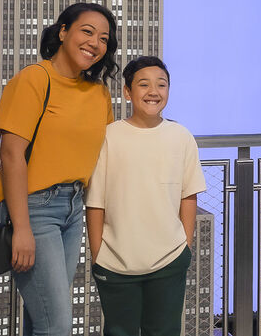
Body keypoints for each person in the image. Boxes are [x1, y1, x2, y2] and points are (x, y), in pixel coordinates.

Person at [0, 3, 118, 336]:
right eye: (87, 31)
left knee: (43, 319)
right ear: (63, 32)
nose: (95, 43)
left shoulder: (99, 93)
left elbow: (107, 155)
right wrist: (21, 227)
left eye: (104, 39)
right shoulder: (35, 79)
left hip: (74, 208)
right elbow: (11, 155)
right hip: (33, 207)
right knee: (57, 325)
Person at [86, 56, 206, 336]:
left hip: (169, 260)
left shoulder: (181, 136)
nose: (154, 91)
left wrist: (184, 248)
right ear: (128, 92)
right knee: (118, 332)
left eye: (161, 85)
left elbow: (188, 197)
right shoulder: (108, 136)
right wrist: (97, 255)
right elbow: (95, 203)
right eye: (144, 84)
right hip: (115, 263)